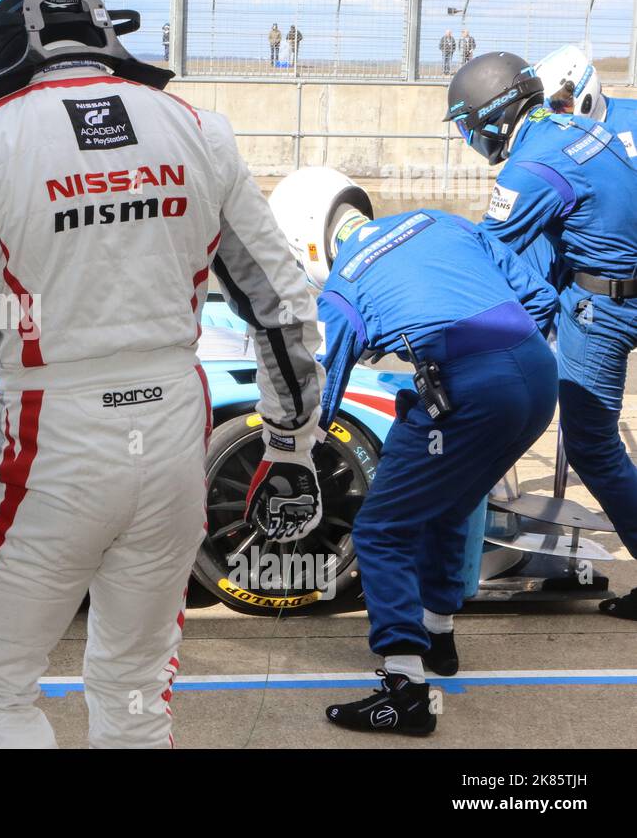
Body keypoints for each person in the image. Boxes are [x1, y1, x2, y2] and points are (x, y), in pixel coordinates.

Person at [0, 0, 325, 749]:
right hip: (173, 435)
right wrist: (290, 442)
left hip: (53, 439)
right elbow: (282, 303)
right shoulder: (199, 129)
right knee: (132, 691)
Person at [269, 168, 558, 734]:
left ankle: (403, 686)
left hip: (473, 386)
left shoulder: (345, 281)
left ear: (302, 237)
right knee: (454, 499)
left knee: (382, 530)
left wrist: (292, 453)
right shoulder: (440, 220)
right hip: (538, 374)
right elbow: (539, 296)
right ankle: (439, 638)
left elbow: (320, 391)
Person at [446, 51, 637, 620]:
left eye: (468, 126)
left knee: (592, 446)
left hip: (603, 305)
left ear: (493, 117)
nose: (469, 138)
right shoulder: (580, 127)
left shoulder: (527, 169)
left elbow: (486, 253)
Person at [521, 44, 637, 290]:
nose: (551, 116)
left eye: (556, 106)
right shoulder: (547, 139)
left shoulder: (631, 121)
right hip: (569, 247)